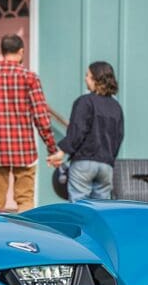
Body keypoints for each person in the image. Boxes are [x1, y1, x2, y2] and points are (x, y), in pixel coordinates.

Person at [0, 34, 63, 212]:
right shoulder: (30, 78)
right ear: (21, 52)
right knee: (25, 201)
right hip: (24, 151)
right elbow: (41, 117)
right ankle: (25, 237)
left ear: (2, 52)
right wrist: (52, 148)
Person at [53, 61, 124, 202]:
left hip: (83, 163)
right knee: (101, 208)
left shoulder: (84, 102)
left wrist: (61, 151)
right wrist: (109, 158)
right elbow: (119, 136)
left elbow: (77, 131)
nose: (85, 78)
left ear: (96, 79)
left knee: (79, 207)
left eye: (88, 76)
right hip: (106, 165)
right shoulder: (116, 107)